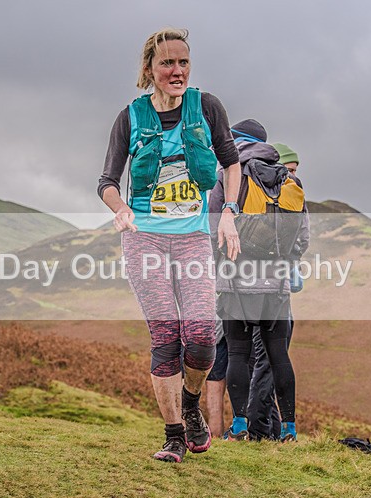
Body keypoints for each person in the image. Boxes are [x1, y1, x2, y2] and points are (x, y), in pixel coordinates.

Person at [98, 28, 241, 463]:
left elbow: (231, 164)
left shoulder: (207, 107)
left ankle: (191, 405)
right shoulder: (129, 117)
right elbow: (106, 181)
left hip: (193, 239)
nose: (176, 70)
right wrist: (120, 208)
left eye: (183, 62)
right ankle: (174, 434)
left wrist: (229, 212)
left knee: (200, 338)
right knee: (165, 335)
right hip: (145, 240)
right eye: (167, 63)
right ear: (149, 69)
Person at [210, 119, 309, 443]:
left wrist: (220, 266)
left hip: (237, 281)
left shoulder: (231, 176)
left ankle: (239, 426)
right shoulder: (289, 180)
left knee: (238, 353)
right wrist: (286, 265)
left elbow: (213, 230)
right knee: (279, 354)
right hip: (277, 286)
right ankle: (290, 430)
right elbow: (302, 237)